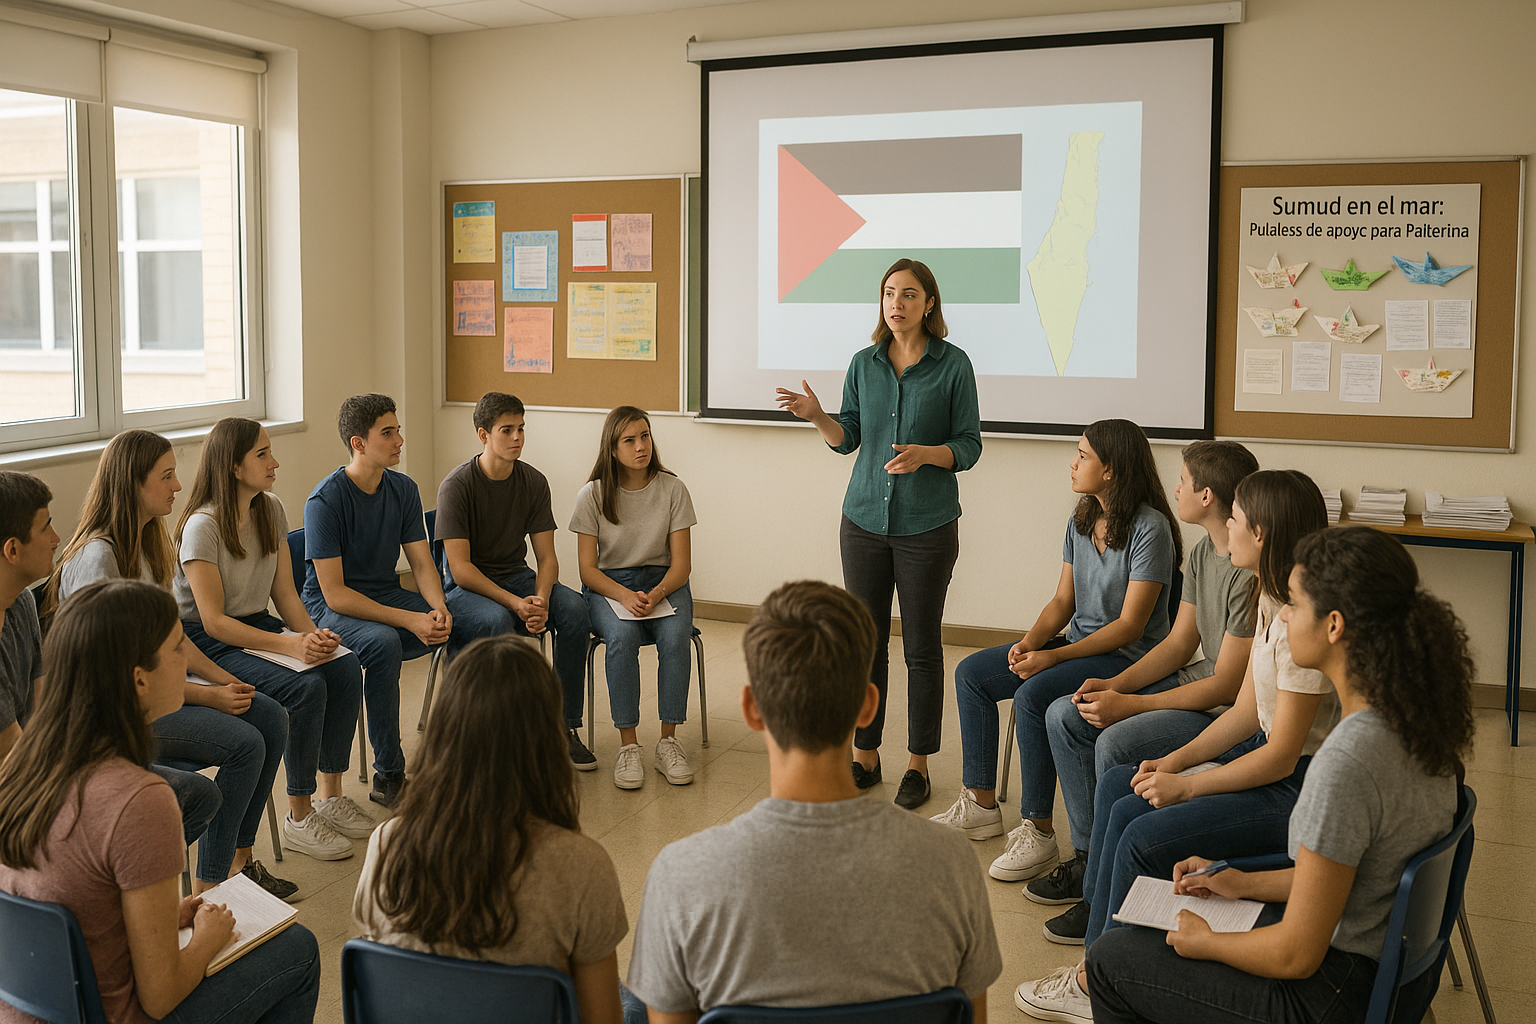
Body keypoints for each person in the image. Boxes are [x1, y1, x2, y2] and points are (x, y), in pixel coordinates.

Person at [1084, 527, 1473, 1024]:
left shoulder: (1348, 762)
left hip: (1330, 995)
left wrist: (1210, 943)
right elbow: (1348, 881)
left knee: (1112, 961)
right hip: (1387, 982)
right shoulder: (1417, 723)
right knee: (1143, 940)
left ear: (1334, 625)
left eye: (1294, 602)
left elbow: (1295, 955)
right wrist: (1243, 882)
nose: (1284, 614)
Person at [1017, 470, 1336, 1021]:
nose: (1227, 527)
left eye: (1236, 519)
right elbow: (1244, 712)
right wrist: (1176, 760)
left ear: (1261, 534)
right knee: (1123, 782)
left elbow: (1281, 755)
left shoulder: (1296, 623)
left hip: (1296, 787)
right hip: (1277, 766)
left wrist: (1188, 786)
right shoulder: (1272, 599)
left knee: (1141, 833)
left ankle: (1101, 982)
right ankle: (1098, 954)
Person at [626, 581, 1001, 1021]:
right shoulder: (951, 863)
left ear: (752, 709)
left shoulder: (681, 875)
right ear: (867, 707)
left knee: (636, 996)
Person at [0, 579, 320, 1024]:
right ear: (139, 679)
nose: (186, 660)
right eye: (176, 649)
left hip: (32, 1010)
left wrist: (167, 917)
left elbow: (72, 904)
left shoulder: (20, 767)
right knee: (298, 949)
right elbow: (160, 996)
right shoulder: (141, 799)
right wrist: (207, 937)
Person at [932, 420, 1181, 887]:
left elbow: (1129, 627)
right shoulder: (1081, 519)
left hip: (1127, 659)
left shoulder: (1152, 528)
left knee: (1033, 695)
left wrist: (1055, 659)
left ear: (1111, 469)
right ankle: (982, 803)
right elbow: (1063, 602)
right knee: (972, 673)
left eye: (1083, 455)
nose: (1073, 462)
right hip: (1077, 646)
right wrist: (1029, 643)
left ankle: (1039, 830)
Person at [1026, 441, 1259, 934]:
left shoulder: (1247, 573)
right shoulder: (1201, 554)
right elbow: (1178, 646)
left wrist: (1130, 703)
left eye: (1183, 480)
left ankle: (1103, 892)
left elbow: (1225, 687)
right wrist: (1113, 685)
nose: (1175, 487)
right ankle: (1090, 861)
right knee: (1066, 715)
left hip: (1223, 711)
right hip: (1199, 684)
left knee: (1113, 739)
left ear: (1208, 495)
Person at [50, 430, 293, 899]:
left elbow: (173, 637)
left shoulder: (149, 539)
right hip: (117, 713)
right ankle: (212, 886)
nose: (178, 487)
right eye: (166, 477)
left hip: (156, 691)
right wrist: (208, 695)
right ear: (132, 485)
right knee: (246, 744)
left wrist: (230, 679)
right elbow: (118, 680)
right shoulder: (99, 557)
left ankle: (239, 863)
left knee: (268, 712)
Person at [776, 257, 982, 809]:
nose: (897, 303)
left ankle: (918, 763)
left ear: (929, 304)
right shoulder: (863, 364)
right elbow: (848, 438)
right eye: (890, 293)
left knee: (921, 647)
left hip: (927, 525)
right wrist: (818, 415)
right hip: (863, 520)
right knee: (865, 644)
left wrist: (928, 456)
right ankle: (865, 755)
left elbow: (969, 445)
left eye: (909, 295)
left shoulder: (953, 365)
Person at [353, 636, 628, 1024]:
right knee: (631, 996)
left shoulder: (387, 842)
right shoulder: (583, 866)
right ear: (546, 743)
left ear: (443, 733)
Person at [175, 417, 372, 863]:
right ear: (232, 466)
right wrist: (289, 647)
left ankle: (330, 794)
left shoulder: (271, 508)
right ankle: (298, 815)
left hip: (257, 625)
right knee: (305, 688)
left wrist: (312, 636)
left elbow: (284, 593)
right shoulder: (201, 526)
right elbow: (214, 623)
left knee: (341, 664)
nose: (274, 462)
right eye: (262, 454)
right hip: (209, 641)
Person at [302, 394, 458, 809]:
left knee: (456, 624)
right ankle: (389, 772)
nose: (399, 440)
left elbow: (423, 565)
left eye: (398, 430)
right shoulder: (325, 501)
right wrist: (409, 620)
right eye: (387, 433)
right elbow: (334, 593)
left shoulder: (403, 489)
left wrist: (437, 607)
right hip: (330, 603)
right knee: (384, 643)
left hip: (381, 590)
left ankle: (460, 754)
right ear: (358, 443)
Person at [436, 391, 595, 770]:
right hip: (468, 587)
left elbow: (547, 558)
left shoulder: (533, 482)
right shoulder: (456, 486)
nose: (517, 438)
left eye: (521, 429)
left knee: (574, 609)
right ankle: (491, 730)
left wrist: (538, 600)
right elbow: (459, 569)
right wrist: (515, 604)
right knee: (494, 621)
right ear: (483, 435)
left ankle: (563, 726)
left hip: (517, 577)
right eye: (506, 430)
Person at [570, 406, 697, 790]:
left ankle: (668, 743)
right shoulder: (591, 495)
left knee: (676, 638)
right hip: (609, 587)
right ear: (612, 448)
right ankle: (629, 746)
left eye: (645, 436)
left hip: (664, 582)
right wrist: (625, 596)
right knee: (621, 640)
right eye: (629, 440)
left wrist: (655, 593)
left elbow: (682, 565)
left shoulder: (672, 488)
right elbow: (587, 570)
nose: (640, 446)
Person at [0, 471, 58, 763]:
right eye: (45, 529)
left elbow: (41, 703)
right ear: (12, 550)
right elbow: (10, 751)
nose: (56, 539)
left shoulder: (22, 600)